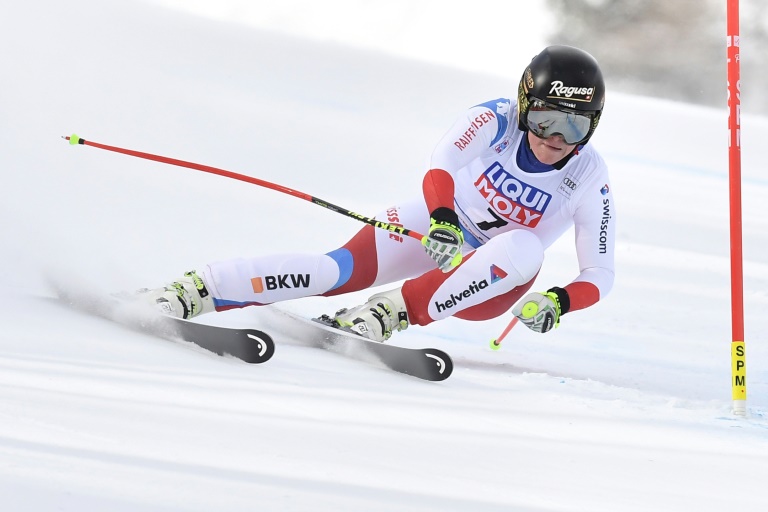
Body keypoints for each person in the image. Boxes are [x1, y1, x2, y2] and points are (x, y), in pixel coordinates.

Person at [139, 45, 615, 342]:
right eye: (546, 120)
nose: (557, 138)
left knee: (525, 246)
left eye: (575, 126)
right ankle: (198, 289)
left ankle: (390, 312)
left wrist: (560, 301)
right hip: (441, 229)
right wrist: (442, 218)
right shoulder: (496, 118)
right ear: (525, 106)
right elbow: (442, 162)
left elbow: (599, 273)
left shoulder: (589, 176)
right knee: (334, 270)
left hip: (490, 281)